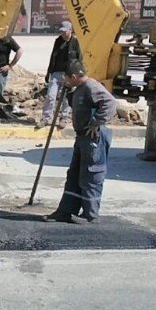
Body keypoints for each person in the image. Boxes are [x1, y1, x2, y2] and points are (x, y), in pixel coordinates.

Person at [43, 59, 117, 224]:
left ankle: (90, 214)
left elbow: (111, 103)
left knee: (91, 175)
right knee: (75, 173)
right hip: (82, 136)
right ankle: (66, 210)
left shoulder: (92, 87)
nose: (65, 81)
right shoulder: (80, 88)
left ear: (75, 76)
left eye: (67, 78)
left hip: (93, 137)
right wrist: (68, 91)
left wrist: (96, 122)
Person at [39, 21, 82, 129]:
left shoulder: (76, 42)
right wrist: (49, 72)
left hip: (69, 74)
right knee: (51, 95)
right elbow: (53, 57)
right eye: (61, 31)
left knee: (66, 98)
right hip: (56, 72)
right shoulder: (58, 41)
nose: (62, 34)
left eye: (64, 31)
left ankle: (64, 117)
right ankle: (46, 118)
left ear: (70, 30)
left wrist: (76, 74)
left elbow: (79, 59)